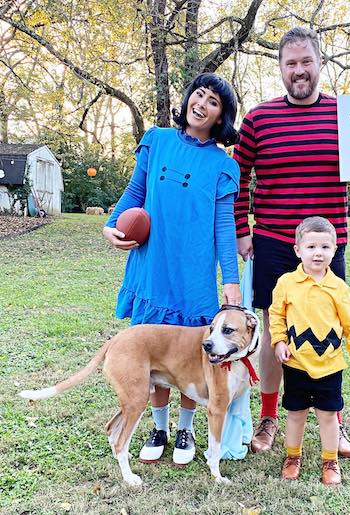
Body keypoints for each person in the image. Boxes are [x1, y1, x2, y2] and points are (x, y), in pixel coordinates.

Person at [233, 27, 350, 456]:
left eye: (305, 62)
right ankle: (270, 416)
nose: (299, 71)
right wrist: (242, 229)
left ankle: (336, 422)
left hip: (329, 246)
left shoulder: (347, 117)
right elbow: (237, 179)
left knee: (328, 329)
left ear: (319, 64)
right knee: (278, 330)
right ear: (280, 69)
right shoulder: (258, 119)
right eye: (290, 63)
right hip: (275, 242)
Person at [103, 73, 242, 467]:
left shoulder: (222, 165)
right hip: (153, 264)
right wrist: (111, 224)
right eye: (198, 94)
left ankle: (185, 427)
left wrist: (230, 279)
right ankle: (159, 426)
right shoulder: (158, 140)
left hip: (194, 274)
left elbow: (223, 225)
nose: (202, 103)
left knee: (190, 355)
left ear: (221, 116)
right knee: (157, 350)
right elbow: (135, 192)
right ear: (187, 99)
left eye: (213, 101)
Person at [270, 216, 350, 485]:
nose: (318, 253)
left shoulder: (339, 287)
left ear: (334, 251)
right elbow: (276, 316)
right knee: (295, 413)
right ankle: (292, 457)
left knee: (328, 415)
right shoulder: (287, 283)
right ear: (298, 250)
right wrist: (278, 341)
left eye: (325, 247)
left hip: (330, 365)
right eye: (311, 247)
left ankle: (330, 460)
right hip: (297, 362)